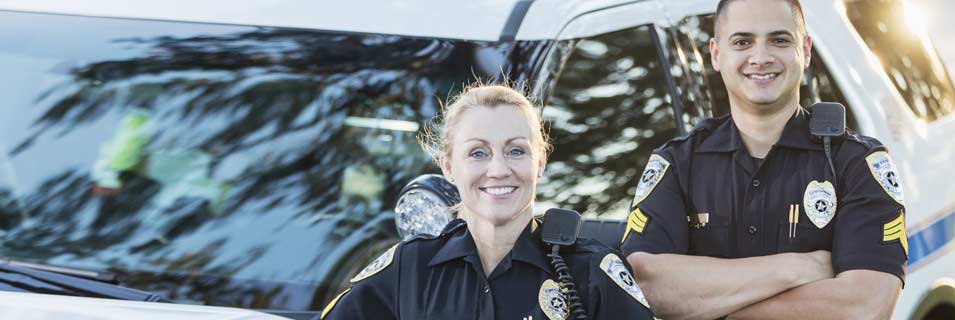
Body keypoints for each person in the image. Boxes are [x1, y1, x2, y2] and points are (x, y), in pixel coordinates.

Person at [620, 0, 908, 319]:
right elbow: (644, 282)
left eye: (779, 40)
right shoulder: (677, 163)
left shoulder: (855, 163)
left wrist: (714, 308)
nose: (760, 57)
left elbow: (865, 306)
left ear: (806, 50)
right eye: (743, 42)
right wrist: (798, 268)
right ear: (716, 54)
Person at [321, 85, 654, 320]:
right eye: (478, 153)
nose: (498, 169)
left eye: (516, 151)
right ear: (449, 166)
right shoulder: (408, 270)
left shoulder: (592, 273)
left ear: (539, 163)